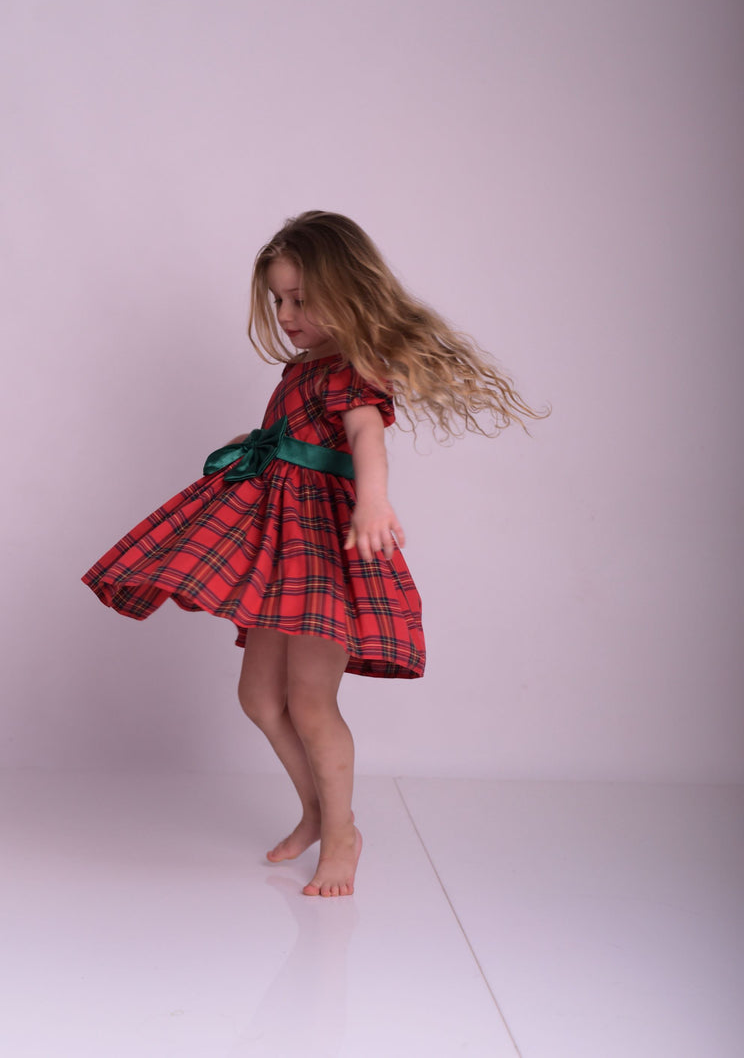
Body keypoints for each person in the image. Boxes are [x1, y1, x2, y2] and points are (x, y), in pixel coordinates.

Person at [82, 211, 544, 897]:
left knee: (309, 701)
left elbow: (366, 442)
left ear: (348, 291)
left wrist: (373, 501)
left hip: (321, 549)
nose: (288, 314)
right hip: (278, 546)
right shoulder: (303, 370)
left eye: (302, 299)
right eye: (278, 300)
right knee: (258, 697)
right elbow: (297, 435)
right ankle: (321, 814)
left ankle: (343, 838)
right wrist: (254, 446)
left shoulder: (355, 370)